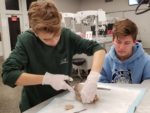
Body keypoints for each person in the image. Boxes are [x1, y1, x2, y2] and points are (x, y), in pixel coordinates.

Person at [1, 0, 106, 112]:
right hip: (36, 104)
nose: (54, 42)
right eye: (46, 39)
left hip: (62, 100)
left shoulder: (67, 35)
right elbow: (8, 74)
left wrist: (93, 78)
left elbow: (97, 48)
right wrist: (46, 79)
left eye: (57, 35)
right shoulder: (27, 40)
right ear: (35, 32)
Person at [99, 19, 150, 84]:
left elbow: (148, 87)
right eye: (118, 42)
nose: (121, 47)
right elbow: (101, 84)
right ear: (113, 40)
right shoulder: (104, 60)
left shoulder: (146, 61)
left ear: (134, 42)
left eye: (127, 43)